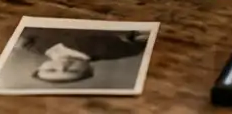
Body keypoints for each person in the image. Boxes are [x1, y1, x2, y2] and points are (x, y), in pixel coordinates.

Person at [17, 29, 151, 84]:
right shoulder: (116, 51)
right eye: (73, 70)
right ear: (89, 68)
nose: (63, 66)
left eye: (50, 70)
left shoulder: (32, 47)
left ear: (41, 66)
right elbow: (142, 37)